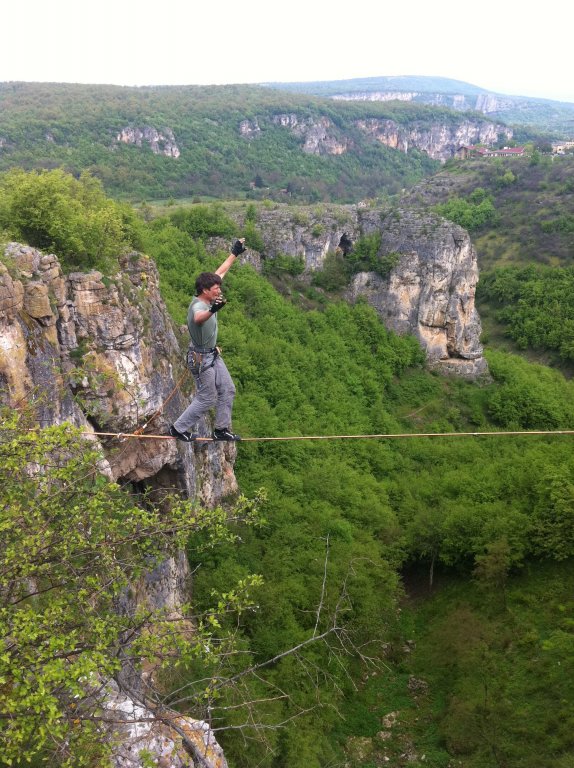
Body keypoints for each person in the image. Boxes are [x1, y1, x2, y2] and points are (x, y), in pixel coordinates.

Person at [169, 238, 246, 443]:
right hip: (200, 359)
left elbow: (220, 272)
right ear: (205, 291)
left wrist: (234, 253)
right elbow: (197, 318)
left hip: (211, 355)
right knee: (207, 398)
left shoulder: (208, 292)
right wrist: (213, 310)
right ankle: (178, 429)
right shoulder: (199, 306)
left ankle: (221, 429)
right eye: (215, 290)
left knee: (228, 389)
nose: (219, 291)